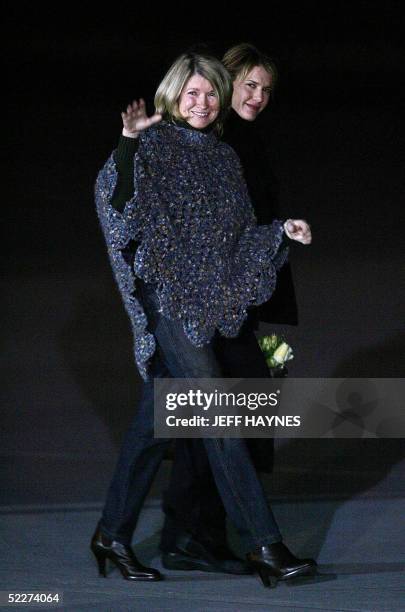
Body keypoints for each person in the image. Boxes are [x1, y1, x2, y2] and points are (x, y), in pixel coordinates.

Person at [92, 51, 315, 588]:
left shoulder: (222, 158)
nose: (202, 102)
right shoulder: (149, 145)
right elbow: (117, 205)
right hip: (165, 300)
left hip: (203, 303)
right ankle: (266, 544)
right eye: (191, 92)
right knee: (218, 416)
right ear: (173, 95)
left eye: (211, 93)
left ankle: (111, 535)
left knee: (153, 424)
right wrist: (126, 144)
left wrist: (281, 232)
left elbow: (236, 239)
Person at [159, 44, 308, 573]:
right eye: (248, 84)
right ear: (227, 83)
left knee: (210, 417)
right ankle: (202, 533)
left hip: (237, 293)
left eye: (266, 89)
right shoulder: (213, 144)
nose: (257, 96)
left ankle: (190, 533)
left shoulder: (239, 142)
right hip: (210, 300)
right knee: (218, 416)